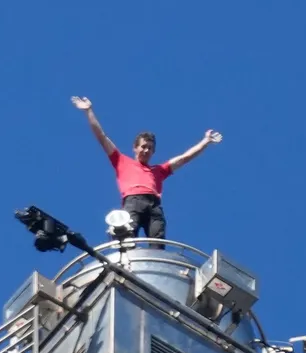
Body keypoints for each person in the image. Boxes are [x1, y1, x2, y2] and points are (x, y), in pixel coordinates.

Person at [71, 96, 221, 243]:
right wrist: (88, 111)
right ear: (135, 148)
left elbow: (184, 157)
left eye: (150, 148)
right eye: (143, 146)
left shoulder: (159, 171)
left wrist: (205, 141)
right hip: (133, 200)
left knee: (157, 241)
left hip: (154, 204)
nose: (146, 150)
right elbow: (102, 137)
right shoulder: (121, 161)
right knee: (127, 237)